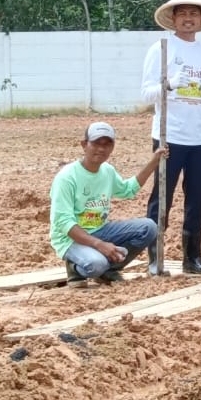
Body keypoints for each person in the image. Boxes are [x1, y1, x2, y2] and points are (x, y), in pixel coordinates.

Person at [140, 0, 201, 275]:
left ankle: (192, 257)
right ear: (173, 18)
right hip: (170, 136)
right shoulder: (161, 49)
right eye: (183, 14)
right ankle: (155, 256)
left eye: (194, 14)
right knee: (162, 196)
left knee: (197, 199)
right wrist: (169, 84)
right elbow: (146, 93)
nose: (188, 19)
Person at [48, 122, 166, 285]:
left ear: (112, 147)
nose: (101, 149)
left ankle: (109, 269)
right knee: (97, 264)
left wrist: (154, 162)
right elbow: (64, 223)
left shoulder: (107, 171)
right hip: (70, 239)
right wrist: (100, 245)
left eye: (107, 144)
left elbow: (127, 190)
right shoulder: (67, 177)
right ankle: (75, 267)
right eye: (96, 143)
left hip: (99, 229)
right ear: (84, 145)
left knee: (149, 228)